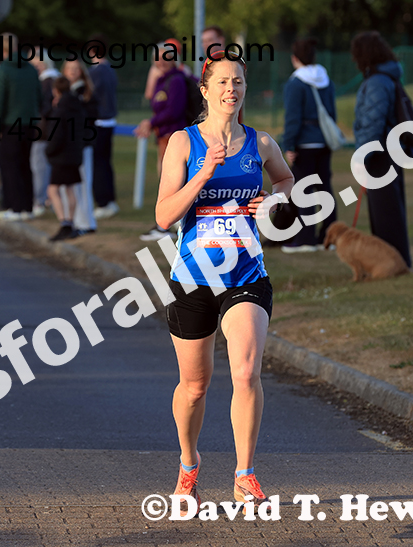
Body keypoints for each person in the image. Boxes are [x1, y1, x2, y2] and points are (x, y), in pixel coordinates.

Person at [155, 48, 295, 514]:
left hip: (245, 274)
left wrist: (274, 203)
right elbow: (163, 215)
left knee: (245, 371)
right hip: (194, 277)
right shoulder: (183, 143)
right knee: (195, 386)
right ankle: (189, 464)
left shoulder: (261, 143)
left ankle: (244, 474)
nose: (231, 90)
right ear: (205, 89)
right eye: (222, 83)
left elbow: (287, 182)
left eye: (238, 82)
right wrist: (205, 175)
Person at [350, 32, 412, 268]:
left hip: (379, 153)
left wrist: (362, 155)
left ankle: (393, 262)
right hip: (390, 150)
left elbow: (373, 122)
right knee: (391, 208)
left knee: (385, 212)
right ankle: (397, 260)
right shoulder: (388, 77)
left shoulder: (377, 81)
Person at [278, 38, 337, 253]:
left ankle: (305, 239)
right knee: (325, 190)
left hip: (304, 143)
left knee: (304, 191)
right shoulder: (326, 79)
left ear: (295, 58)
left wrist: (289, 144)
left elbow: (293, 118)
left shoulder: (296, 83)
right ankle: (329, 236)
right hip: (324, 141)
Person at [136, 42, 189, 241]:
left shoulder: (176, 80)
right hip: (164, 137)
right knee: (169, 181)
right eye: (157, 57)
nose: (161, 61)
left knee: (174, 182)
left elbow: (174, 111)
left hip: (174, 137)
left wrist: (151, 122)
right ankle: (169, 223)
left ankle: (169, 224)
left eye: (166, 57)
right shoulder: (162, 79)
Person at [0, 33, 41, 220]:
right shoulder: (30, 68)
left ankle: (14, 207)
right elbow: (39, 96)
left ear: (0, 49)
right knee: (25, 164)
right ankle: (27, 206)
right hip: (29, 123)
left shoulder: (4, 69)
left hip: (9, 123)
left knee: (9, 165)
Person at [45, 77, 85, 241]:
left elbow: (56, 135)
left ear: (56, 91)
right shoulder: (78, 107)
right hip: (75, 154)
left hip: (61, 156)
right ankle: (72, 221)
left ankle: (65, 223)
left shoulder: (60, 111)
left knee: (53, 190)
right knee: (70, 189)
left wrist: (49, 151)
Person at [62, 59, 98, 236]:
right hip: (67, 145)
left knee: (83, 182)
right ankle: (73, 220)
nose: (73, 72)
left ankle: (86, 222)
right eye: (69, 69)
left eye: (76, 69)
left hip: (82, 144)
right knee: (68, 185)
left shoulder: (86, 92)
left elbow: (90, 117)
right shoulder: (63, 92)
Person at [88, 33, 120, 220]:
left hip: (98, 121)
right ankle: (110, 200)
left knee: (98, 164)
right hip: (109, 121)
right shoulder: (110, 69)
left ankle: (103, 201)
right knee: (106, 163)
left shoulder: (95, 72)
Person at [29, 48, 60, 216]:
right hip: (50, 131)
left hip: (43, 131)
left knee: (39, 166)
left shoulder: (46, 82)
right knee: (47, 167)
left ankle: (40, 200)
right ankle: (49, 199)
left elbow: (45, 108)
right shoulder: (54, 80)